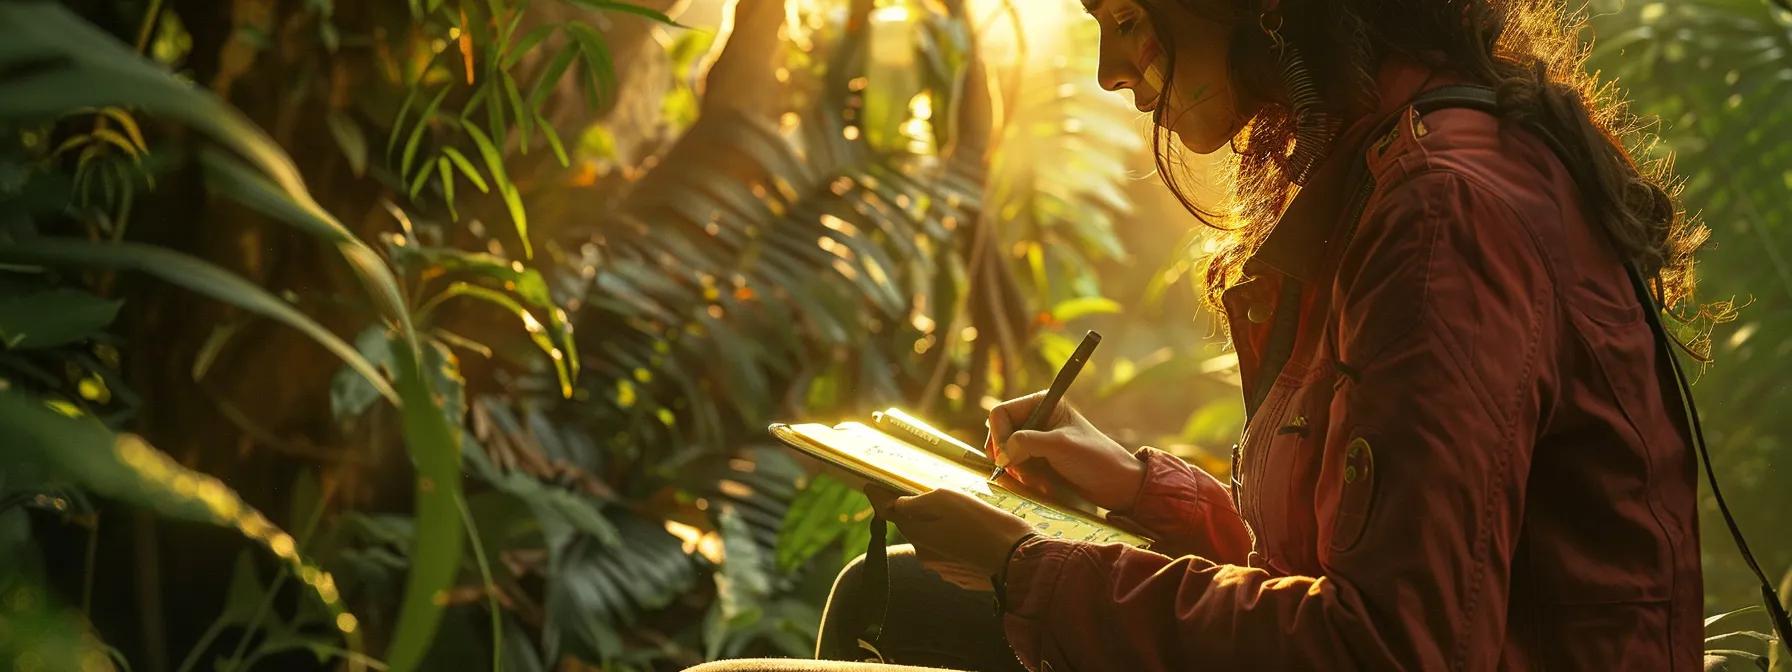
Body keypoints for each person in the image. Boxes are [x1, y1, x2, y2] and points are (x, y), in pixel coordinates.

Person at [692, 0, 1710, 669]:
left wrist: (1030, 568)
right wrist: (1148, 495)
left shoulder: (1441, 215)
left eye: (1129, 20)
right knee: (894, 594)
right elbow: (1348, 567)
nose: (1104, 71)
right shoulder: (1375, 163)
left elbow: (1392, 647)